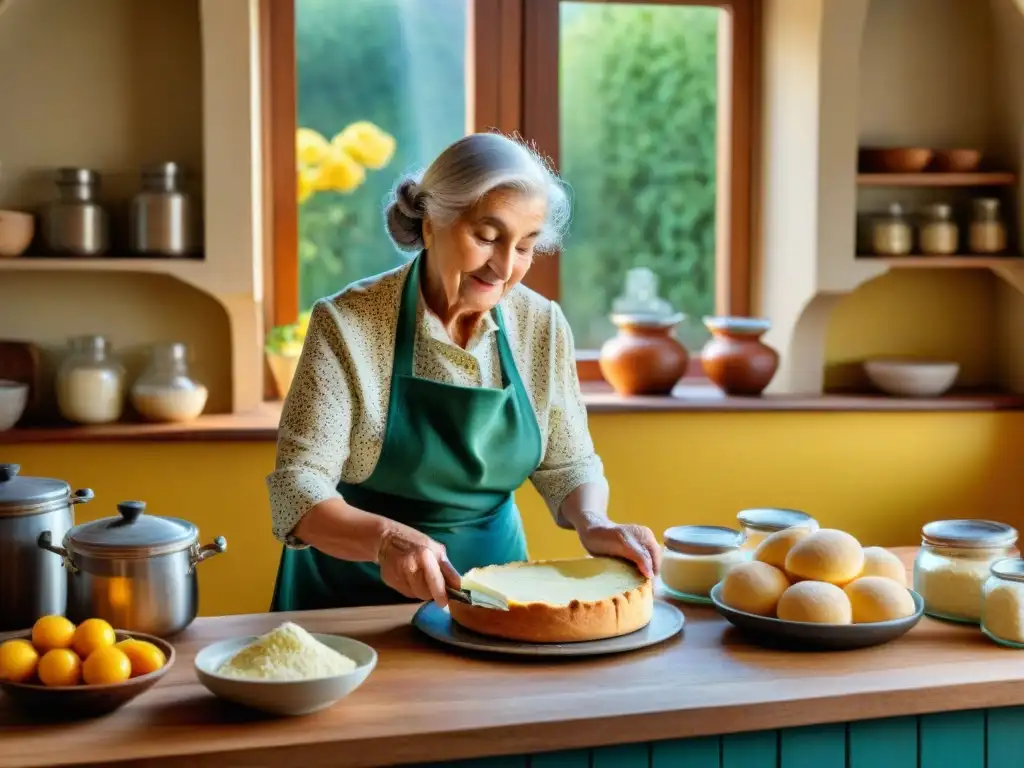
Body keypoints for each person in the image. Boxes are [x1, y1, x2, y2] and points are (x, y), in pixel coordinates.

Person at [267, 132, 661, 612]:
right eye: (488, 237)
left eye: (524, 246)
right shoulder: (348, 324)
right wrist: (386, 540)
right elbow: (297, 488)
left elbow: (568, 464)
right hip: (350, 603)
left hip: (492, 601)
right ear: (431, 224)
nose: (503, 267)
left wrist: (594, 522)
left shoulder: (541, 325)